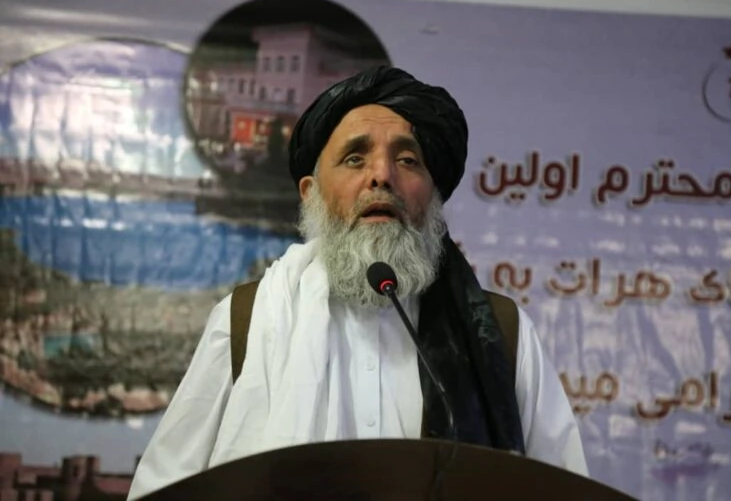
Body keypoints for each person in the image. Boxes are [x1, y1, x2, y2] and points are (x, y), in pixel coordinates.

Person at [127, 66, 588, 500]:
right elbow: (162, 488)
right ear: (310, 193)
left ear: (433, 195)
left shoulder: (501, 332)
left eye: (407, 160)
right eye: (354, 158)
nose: (382, 175)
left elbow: (562, 488)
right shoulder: (246, 321)